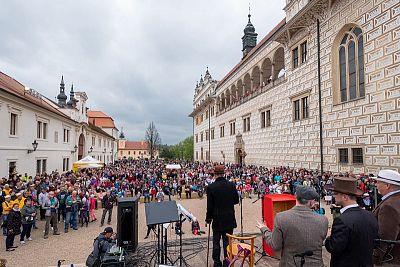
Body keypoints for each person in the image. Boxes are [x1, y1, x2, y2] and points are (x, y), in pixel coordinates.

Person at [257, 186, 328, 267]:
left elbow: (275, 245)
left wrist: (264, 229)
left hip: (290, 264)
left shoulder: (281, 217)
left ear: (296, 197)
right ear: (312, 202)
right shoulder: (323, 220)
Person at [325, 176, 378, 267]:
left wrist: (328, 237)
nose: (334, 196)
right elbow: (375, 243)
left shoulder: (341, 220)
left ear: (345, 197)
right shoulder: (370, 215)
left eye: (336, 193)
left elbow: (334, 247)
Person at [206, 165, 239, 267]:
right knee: (227, 242)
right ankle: (227, 261)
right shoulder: (231, 185)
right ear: (224, 174)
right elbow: (236, 201)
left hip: (217, 219)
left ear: (215, 175)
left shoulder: (211, 187)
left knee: (216, 243)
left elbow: (209, 206)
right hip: (229, 218)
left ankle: (217, 262)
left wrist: (208, 219)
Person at [373, 170, 400, 266]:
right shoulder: (396, 200)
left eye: (378, 182)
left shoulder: (389, 206)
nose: (376, 185)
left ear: (388, 185)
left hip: (390, 260)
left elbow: (385, 237)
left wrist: (376, 259)